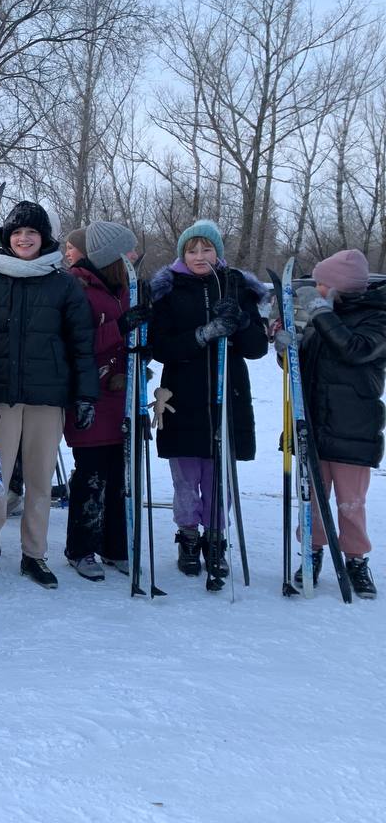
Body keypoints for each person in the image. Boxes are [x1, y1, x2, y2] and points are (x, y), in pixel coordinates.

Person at [0, 200, 97, 589]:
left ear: (44, 239)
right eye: (18, 232)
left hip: (47, 397)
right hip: (1, 398)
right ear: (8, 238)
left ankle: (34, 554)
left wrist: (85, 395)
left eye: (32, 233)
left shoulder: (63, 284)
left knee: (39, 482)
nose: (24, 238)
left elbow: (80, 345)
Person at [149, 220, 267, 580]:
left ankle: (216, 539)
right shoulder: (168, 290)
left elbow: (257, 348)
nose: (199, 256)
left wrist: (242, 322)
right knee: (186, 475)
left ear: (218, 252)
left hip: (226, 393)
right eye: (192, 250)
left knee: (219, 475)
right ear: (182, 253)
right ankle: (187, 536)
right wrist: (203, 334)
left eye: (207, 249)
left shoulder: (235, 286)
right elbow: (161, 346)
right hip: (182, 394)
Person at [289, 249, 384, 597]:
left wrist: (320, 314)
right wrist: (291, 348)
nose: (317, 290)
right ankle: (311, 552)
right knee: (311, 498)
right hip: (314, 424)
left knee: (351, 503)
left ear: (341, 287)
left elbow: (355, 350)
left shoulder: (377, 318)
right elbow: (303, 372)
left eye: (323, 284)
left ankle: (356, 559)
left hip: (353, 428)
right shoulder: (323, 315)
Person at [62, 222, 146, 581]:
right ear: (111, 255)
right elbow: (75, 343)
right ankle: (81, 548)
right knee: (92, 476)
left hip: (124, 396)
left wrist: (144, 340)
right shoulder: (79, 288)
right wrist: (121, 327)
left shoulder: (130, 289)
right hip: (91, 396)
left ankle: (115, 544)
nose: (135, 257)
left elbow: (140, 337)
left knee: (120, 475)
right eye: (128, 251)